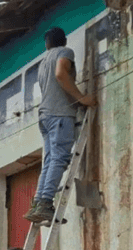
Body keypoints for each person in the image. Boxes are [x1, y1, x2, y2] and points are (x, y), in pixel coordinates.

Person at [25, 26, 97, 226]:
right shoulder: (64, 52)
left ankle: (39, 202)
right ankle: (46, 203)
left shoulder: (42, 62)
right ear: (64, 41)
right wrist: (81, 98)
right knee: (59, 158)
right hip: (60, 115)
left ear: (47, 43)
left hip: (45, 116)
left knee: (49, 161)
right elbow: (60, 74)